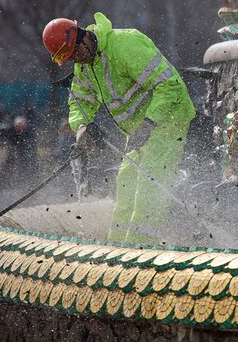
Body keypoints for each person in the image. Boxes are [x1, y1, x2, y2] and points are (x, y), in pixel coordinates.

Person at [41, 13, 196, 244]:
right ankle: (115, 249)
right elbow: (79, 102)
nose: (75, 60)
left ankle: (141, 250)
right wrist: (81, 128)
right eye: (69, 58)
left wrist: (149, 123)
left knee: (149, 185)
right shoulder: (85, 67)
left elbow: (169, 85)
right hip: (138, 131)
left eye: (74, 53)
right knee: (125, 182)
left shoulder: (126, 44)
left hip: (168, 119)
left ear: (83, 38)